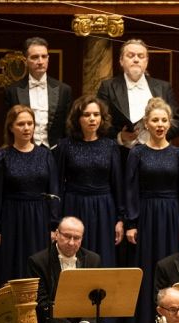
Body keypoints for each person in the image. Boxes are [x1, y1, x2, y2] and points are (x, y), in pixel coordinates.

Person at [124, 97, 179, 323]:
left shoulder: (177, 153)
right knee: (147, 269)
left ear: (169, 123)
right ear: (146, 123)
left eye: (164, 120)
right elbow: (130, 189)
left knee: (170, 268)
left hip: (171, 216)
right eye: (155, 120)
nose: (160, 124)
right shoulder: (137, 153)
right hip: (147, 216)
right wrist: (131, 223)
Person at [0, 105, 58, 287]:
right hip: (11, 219)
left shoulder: (45, 154)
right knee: (10, 269)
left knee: (38, 270)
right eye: (21, 124)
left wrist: (53, 225)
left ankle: (37, 314)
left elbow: (54, 191)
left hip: (38, 219)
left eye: (30, 123)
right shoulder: (2, 156)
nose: (26, 128)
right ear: (11, 128)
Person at [27, 216, 109, 323]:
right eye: (67, 236)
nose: (71, 242)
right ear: (56, 234)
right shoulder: (38, 261)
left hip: (84, 322)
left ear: (82, 238)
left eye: (76, 238)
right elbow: (41, 301)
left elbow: (96, 299)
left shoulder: (93, 259)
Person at [55, 94, 124, 266]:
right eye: (86, 115)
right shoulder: (65, 145)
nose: (92, 119)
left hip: (104, 208)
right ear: (77, 119)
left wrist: (120, 219)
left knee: (103, 257)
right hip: (74, 205)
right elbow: (57, 184)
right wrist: (56, 219)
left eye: (96, 114)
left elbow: (118, 184)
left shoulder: (110, 146)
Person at [97, 39, 179, 146]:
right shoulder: (107, 87)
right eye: (130, 55)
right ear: (121, 60)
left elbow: (178, 123)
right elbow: (100, 121)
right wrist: (119, 136)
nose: (136, 60)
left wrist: (158, 135)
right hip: (121, 154)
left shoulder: (164, 87)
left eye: (141, 56)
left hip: (155, 152)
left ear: (146, 62)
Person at [3, 37, 72, 148]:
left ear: (48, 59)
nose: (40, 61)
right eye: (35, 57)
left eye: (44, 57)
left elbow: (68, 127)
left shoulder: (64, 90)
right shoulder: (12, 91)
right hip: (23, 151)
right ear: (25, 60)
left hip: (55, 152)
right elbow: (8, 127)